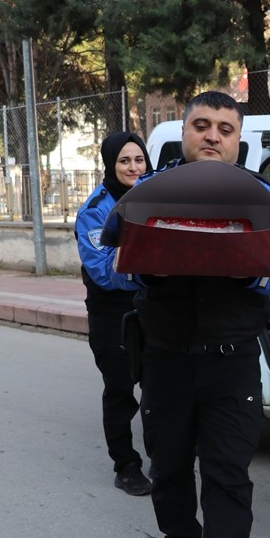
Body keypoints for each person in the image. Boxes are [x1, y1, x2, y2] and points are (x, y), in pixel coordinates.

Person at [115, 91, 270, 538]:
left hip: (232, 361)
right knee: (167, 463)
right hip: (166, 358)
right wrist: (150, 266)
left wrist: (244, 266)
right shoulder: (148, 190)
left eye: (225, 127)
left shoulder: (263, 195)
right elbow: (111, 264)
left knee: (227, 474)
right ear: (184, 133)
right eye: (202, 125)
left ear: (239, 140)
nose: (213, 135)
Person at [74, 132, 153, 496]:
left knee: (160, 392)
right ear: (110, 165)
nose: (133, 167)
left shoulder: (158, 195)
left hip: (155, 311)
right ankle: (126, 466)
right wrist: (154, 266)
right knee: (121, 392)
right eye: (124, 161)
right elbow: (105, 273)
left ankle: (165, 460)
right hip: (114, 317)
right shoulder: (95, 210)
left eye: (138, 159)